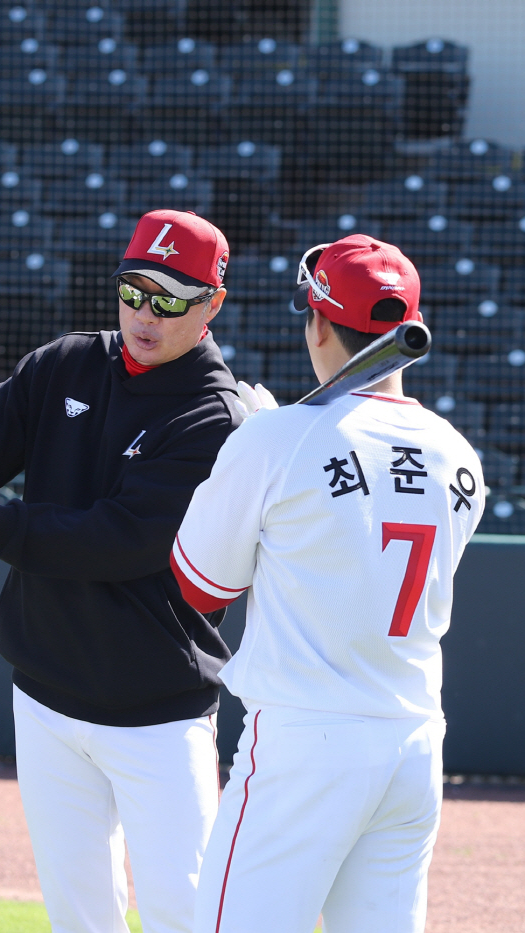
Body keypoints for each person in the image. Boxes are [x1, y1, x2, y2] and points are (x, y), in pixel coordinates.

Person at [0, 209, 243, 933]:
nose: (144, 314)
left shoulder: (215, 414)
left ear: (211, 304)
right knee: (77, 915)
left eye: (170, 300)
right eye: (133, 291)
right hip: (45, 695)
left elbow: (121, 539)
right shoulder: (67, 361)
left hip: (158, 711)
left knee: (184, 912)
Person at [170, 234, 485, 933]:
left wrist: (253, 453)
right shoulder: (458, 453)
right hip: (412, 743)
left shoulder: (275, 439)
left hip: (305, 738)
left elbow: (200, 586)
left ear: (318, 323)